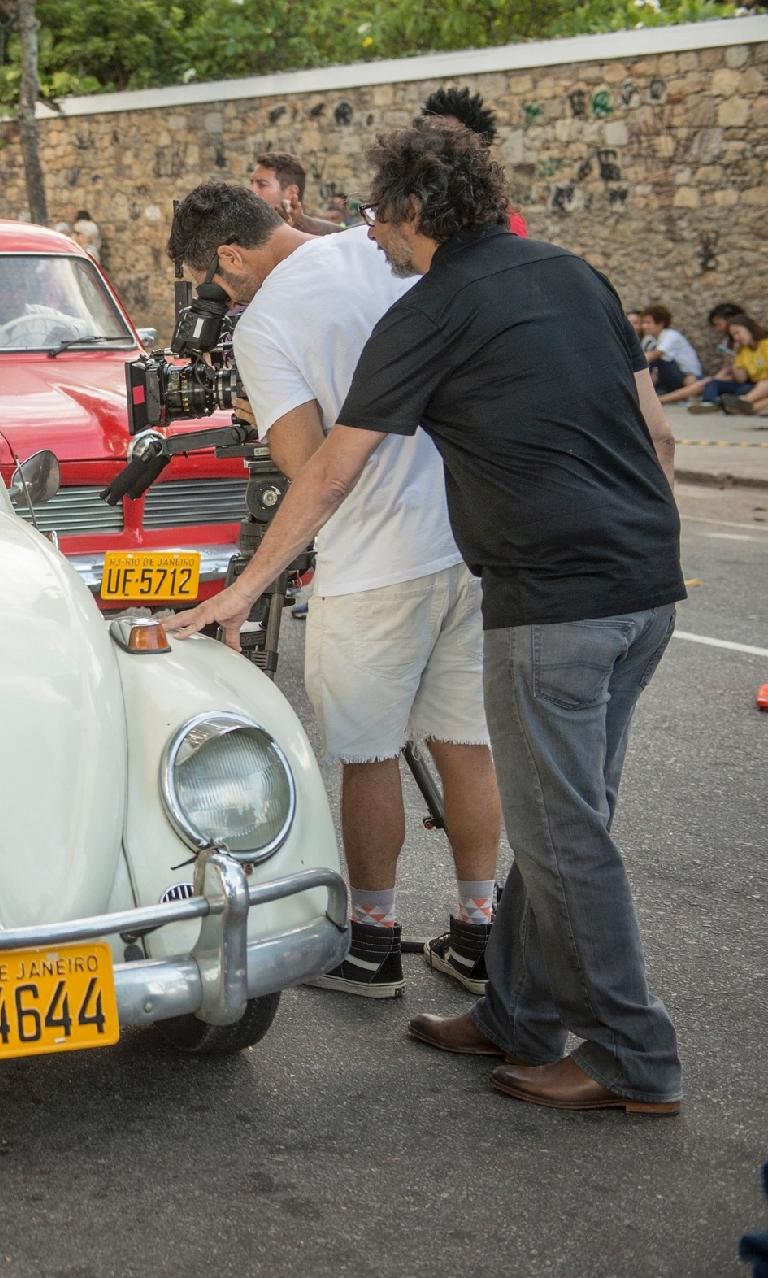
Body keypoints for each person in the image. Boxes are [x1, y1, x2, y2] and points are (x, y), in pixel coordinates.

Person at [169, 117, 684, 1116]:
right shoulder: (573, 272)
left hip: (552, 603)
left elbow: (325, 474)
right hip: (642, 589)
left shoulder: (432, 307)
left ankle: (635, 1056)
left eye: (379, 220)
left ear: (413, 212)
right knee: (557, 823)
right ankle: (519, 1017)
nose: (371, 238)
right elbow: (658, 434)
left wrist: (239, 590)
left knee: (568, 840)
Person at [165, 183, 503, 998]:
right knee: (466, 743)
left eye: (217, 282)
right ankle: (477, 931)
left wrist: (257, 409)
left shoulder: (269, 319)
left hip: (376, 559)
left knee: (366, 751)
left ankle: (373, 943)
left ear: (230, 255)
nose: (223, 296)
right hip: (469, 534)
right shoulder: (381, 249)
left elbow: (308, 466)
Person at [420, 87, 529, 236]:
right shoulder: (407, 207)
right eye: (429, 136)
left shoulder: (504, 220)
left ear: (477, 148)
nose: (435, 147)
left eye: (448, 138)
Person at [663, 303, 746, 405]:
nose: (717, 329)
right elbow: (726, 368)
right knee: (706, 383)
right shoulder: (727, 342)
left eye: (719, 324)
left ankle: (662, 400)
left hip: (742, 379)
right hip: (730, 377)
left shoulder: (745, 341)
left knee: (704, 383)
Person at [688, 313, 768, 414]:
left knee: (765, 383)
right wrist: (735, 354)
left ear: (749, 329)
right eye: (733, 335)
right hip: (752, 386)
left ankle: (743, 403)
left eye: (738, 333)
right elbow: (741, 378)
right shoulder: (742, 350)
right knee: (713, 383)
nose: (736, 338)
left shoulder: (765, 344)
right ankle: (708, 404)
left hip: (764, 385)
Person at [249, 153, 341, 235]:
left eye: (262, 184)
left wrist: (300, 221)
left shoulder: (326, 241)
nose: (252, 190)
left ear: (291, 192)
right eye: (251, 183)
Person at [636, 305, 702, 394]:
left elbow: (655, 354)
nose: (644, 326)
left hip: (688, 376)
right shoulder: (651, 339)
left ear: (661, 323)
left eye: (648, 323)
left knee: (655, 360)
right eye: (643, 323)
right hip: (672, 375)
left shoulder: (670, 335)